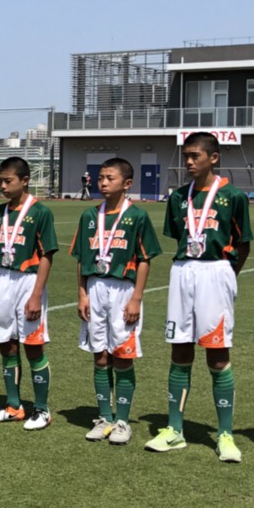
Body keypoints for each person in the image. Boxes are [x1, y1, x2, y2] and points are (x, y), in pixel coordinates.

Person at [149, 134, 252, 462]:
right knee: (180, 349)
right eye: (186, 156)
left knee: (217, 354)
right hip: (183, 271)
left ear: (214, 158)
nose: (189, 162)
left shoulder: (233, 196)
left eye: (195, 156)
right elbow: (179, 235)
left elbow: (244, 244)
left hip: (216, 271)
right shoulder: (179, 197)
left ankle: (225, 435)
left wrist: (227, 276)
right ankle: (175, 429)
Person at [73, 158, 161, 444]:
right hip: (95, 287)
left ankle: (122, 420)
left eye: (110, 178)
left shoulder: (137, 216)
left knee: (122, 355)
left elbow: (145, 259)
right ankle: (104, 418)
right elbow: (81, 258)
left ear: (127, 183)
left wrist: (136, 298)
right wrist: (82, 293)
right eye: (100, 177)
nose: (103, 183)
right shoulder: (89, 215)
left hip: (123, 289)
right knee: (99, 354)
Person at [0, 156, 57, 428]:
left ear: (24, 181)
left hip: (28, 281)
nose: (2, 186)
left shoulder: (41, 212)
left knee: (33, 346)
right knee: (6, 344)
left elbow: (47, 255)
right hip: (1, 280)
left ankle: (42, 410)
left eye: (7, 181)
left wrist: (36, 294)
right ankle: (14, 406)